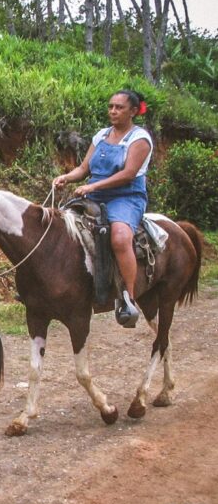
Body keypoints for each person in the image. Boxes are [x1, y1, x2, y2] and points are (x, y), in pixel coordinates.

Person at [53, 89, 153, 327]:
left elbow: (128, 174)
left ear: (132, 111)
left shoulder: (139, 139)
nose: (113, 111)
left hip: (126, 196)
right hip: (94, 194)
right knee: (59, 227)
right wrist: (66, 177)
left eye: (119, 107)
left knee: (119, 237)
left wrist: (91, 187)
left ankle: (127, 298)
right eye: (111, 106)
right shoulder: (101, 135)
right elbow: (84, 168)